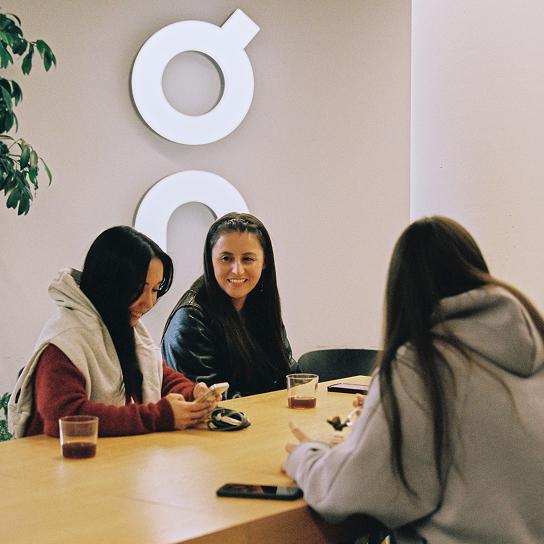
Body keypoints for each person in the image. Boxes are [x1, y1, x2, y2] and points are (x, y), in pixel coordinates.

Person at [283, 216, 544, 543]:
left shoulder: (422, 367)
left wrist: (304, 457)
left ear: (401, 290)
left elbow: (350, 490)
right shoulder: (534, 340)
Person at [8, 226, 219, 438]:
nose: (149, 302)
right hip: (54, 466)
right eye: (138, 288)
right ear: (110, 282)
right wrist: (160, 416)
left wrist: (192, 392)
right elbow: (66, 418)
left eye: (155, 290)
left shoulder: (121, 323)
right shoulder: (66, 339)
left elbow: (155, 375)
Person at [162, 212, 298, 398]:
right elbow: (211, 401)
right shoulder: (190, 319)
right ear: (210, 261)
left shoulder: (261, 303)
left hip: (267, 422)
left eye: (248, 259)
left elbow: (290, 375)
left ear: (264, 261)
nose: (237, 269)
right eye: (226, 258)